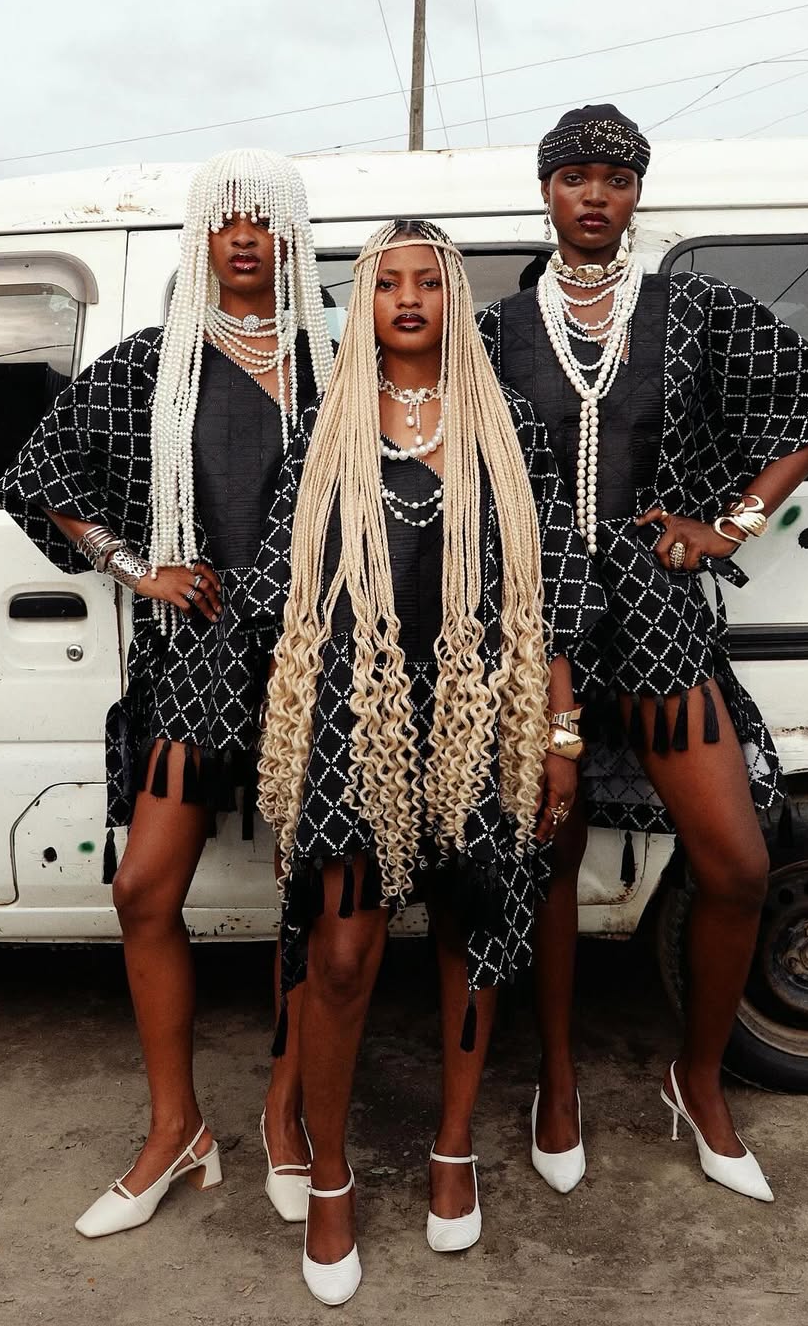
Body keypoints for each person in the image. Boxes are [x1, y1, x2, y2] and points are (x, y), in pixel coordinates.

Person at [479, 106, 808, 1203]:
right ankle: (556, 1079)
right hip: (541, 618)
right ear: (545, 192)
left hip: (656, 608)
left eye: (614, 179)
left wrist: (729, 526)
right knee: (546, 860)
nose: (594, 197)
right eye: (574, 179)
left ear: (637, 193)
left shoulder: (692, 310)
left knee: (737, 864)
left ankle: (696, 1079)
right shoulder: (500, 331)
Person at [232, 219, 605, 1304]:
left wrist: (561, 731)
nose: (406, 299)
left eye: (426, 283)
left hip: (491, 710)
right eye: (385, 283)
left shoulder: (508, 422)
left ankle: (454, 1151)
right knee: (342, 955)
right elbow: (273, 580)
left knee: (472, 928)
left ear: (452, 302)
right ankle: (334, 1172)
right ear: (364, 303)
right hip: (356, 717)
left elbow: (561, 577)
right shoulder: (325, 429)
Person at [0, 149, 334, 1237]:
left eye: (264, 219)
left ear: (292, 238)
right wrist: (137, 566)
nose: (244, 236)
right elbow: (41, 479)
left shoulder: (338, 366)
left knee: (309, 898)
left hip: (317, 660)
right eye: (225, 219)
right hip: (194, 659)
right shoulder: (157, 364)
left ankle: (287, 1115)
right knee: (144, 888)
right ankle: (177, 1128)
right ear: (202, 238)